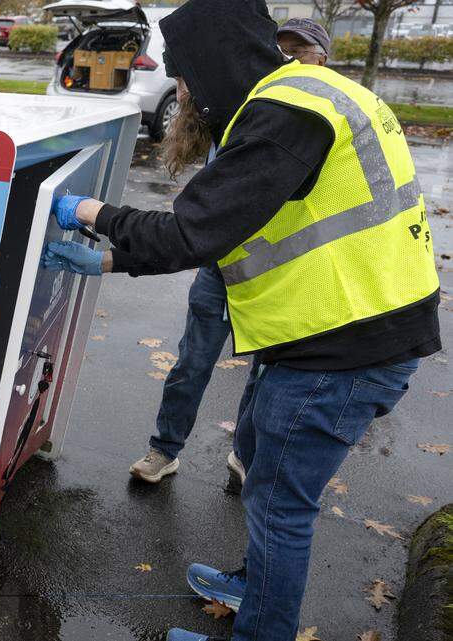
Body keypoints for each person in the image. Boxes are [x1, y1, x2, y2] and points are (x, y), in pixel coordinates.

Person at [42, 1, 440, 639]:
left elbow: (190, 233)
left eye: (187, 78)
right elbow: (228, 238)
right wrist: (111, 263)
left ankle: (261, 628)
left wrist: (88, 211)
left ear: (212, 59)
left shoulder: (285, 115)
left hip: (342, 351)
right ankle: (256, 586)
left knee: (279, 506)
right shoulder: (307, 96)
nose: (185, 94)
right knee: (257, 451)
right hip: (330, 333)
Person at [126, 17, 333, 486]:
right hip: (219, 269)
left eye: (303, 50)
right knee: (192, 363)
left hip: (274, 273)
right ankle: (165, 449)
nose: (293, 57)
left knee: (263, 375)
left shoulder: (310, 119)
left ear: (324, 56)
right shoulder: (244, 107)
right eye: (286, 50)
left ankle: (244, 453)